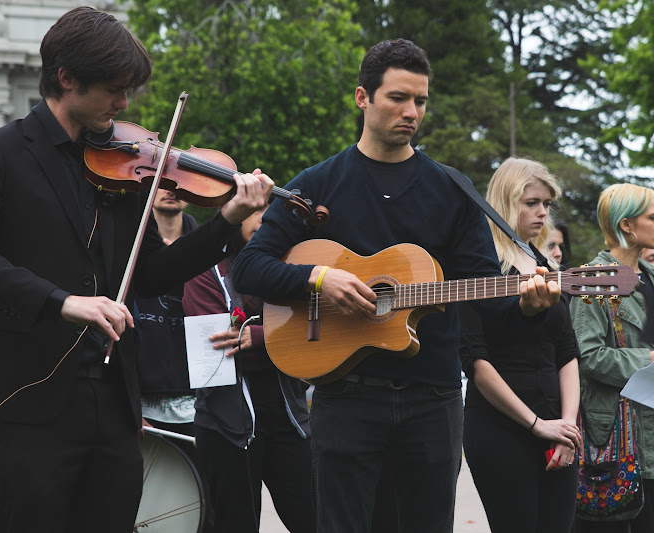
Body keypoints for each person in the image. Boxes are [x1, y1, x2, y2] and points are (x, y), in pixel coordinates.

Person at [0, 7, 272, 533]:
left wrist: (229, 219)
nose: (124, 103)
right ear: (67, 79)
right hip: (28, 399)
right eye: (115, 89)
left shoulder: (123, 161)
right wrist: (59, 301)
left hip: (112, 402)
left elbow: (153, 273)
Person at [231, 39, 559, 532]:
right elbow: (249, 268)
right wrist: (316, 279)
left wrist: (530, 307)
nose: (412, 112)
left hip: (434, 399)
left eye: (421, 102)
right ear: (363, 97)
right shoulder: (317, 185)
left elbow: (486, 301)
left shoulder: (452, 189)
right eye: (398, 98)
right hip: (343, 393)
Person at [459, 158, 581, 532]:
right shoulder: (479, 268)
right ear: (506, 201)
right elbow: (477, 363)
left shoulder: (547, 266)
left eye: (546, 203)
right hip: (500, 430)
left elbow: (567, 352)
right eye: (532, 202)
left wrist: (566, 426)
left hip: (558, 429)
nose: (543, 212)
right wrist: (536, 425)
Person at [183, 206, 315, 533]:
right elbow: (214, 343)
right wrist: (284, 334)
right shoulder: (205, 269)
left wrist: (258, 335)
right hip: (224, 420)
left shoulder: (294, 267)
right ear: (235, 216)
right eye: (254, 210)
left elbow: (315, 336)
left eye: (272, 211)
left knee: (317, 520)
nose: (264, 219)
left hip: (290, 414)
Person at [571, 183, 654, 532]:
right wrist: (648, 358)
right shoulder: (594, 280)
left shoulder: (650, 277)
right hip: (622, 436)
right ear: (627, 226)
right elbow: (588, 356)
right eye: (653, 216)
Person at [137, 189, 199, 446]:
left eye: (181, 183)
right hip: (142, 405)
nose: (172, 190)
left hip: (198, 405)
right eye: (162, 182)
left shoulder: (206, 250)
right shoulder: (128, 248)